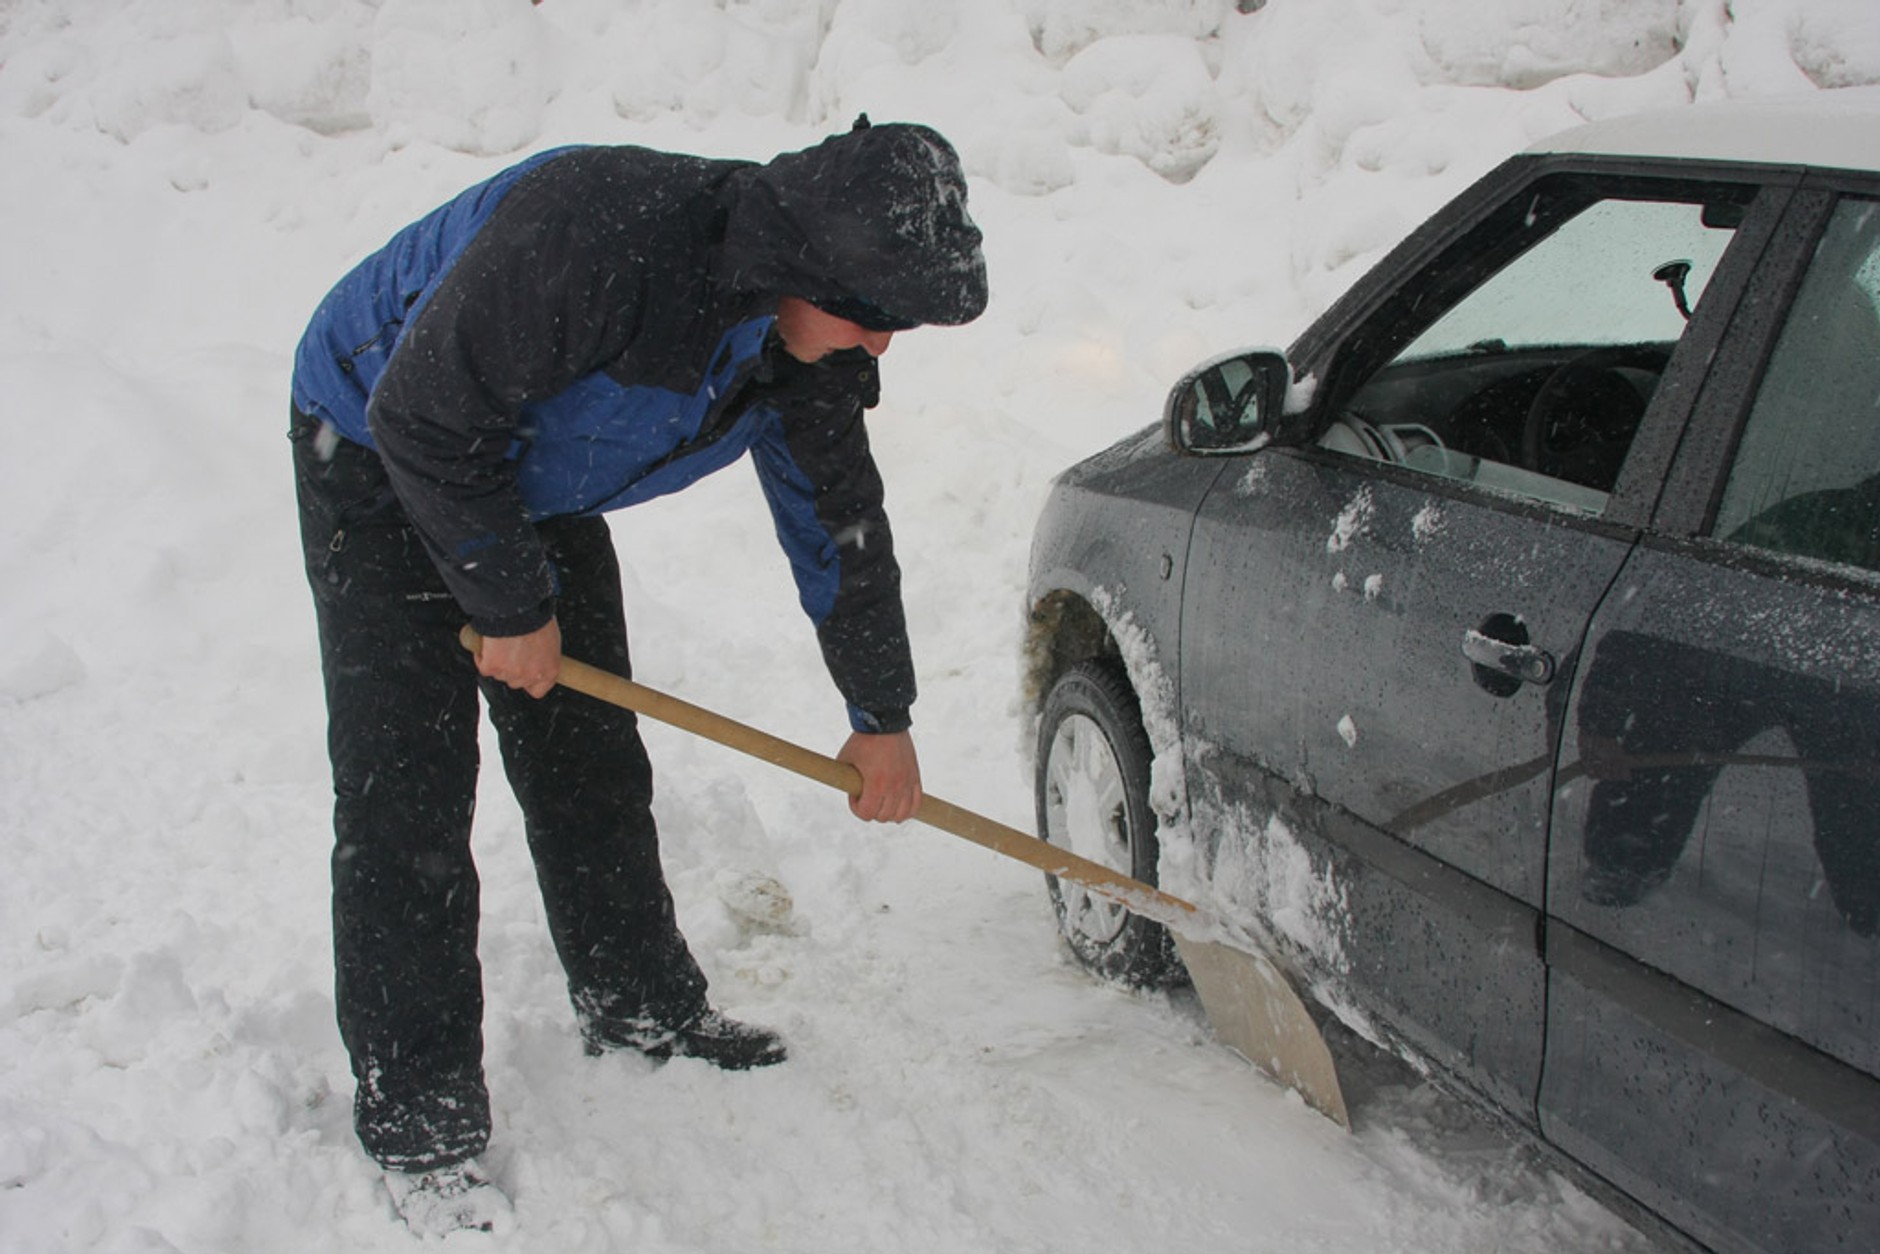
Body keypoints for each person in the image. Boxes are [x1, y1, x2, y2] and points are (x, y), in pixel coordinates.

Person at [288, 117, 988, 1233]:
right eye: (870, 316)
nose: (881, 344)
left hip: (523, 471)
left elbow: (837, 518)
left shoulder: (806, 344)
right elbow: (420, 412)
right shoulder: (597, 241)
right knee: (406, 799)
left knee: (588, 760)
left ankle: (638, 1004)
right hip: (383, 445)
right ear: (801, 267)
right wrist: (509, 607)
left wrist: (879, 714)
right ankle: (418, 1117)